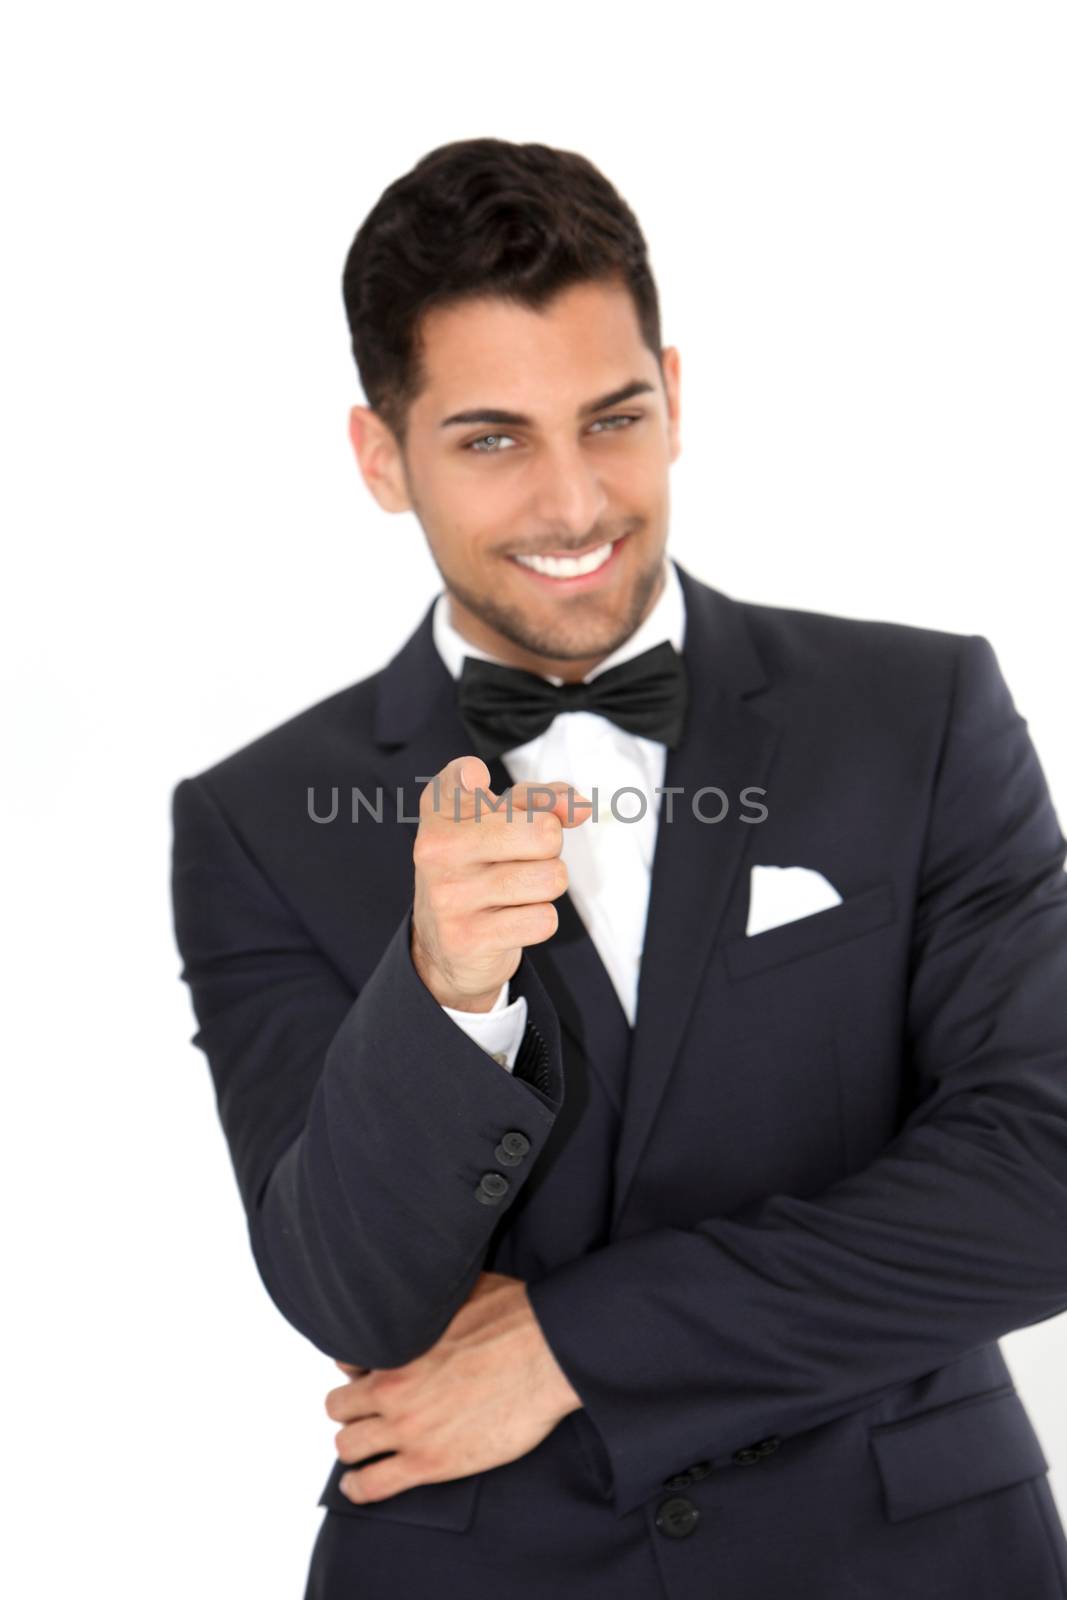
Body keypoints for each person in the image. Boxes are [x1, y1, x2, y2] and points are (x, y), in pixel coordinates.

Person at [170, 137, 1067, 1599]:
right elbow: (343, 1288)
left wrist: (573, 1345)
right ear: (380, 459)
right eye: (492, 439)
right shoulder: (258, 817)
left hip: (911, 1553)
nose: (578, 504)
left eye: (614, 417)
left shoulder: (920, 713)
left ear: (676, 395)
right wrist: (448, 995)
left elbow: (1042, 1178)